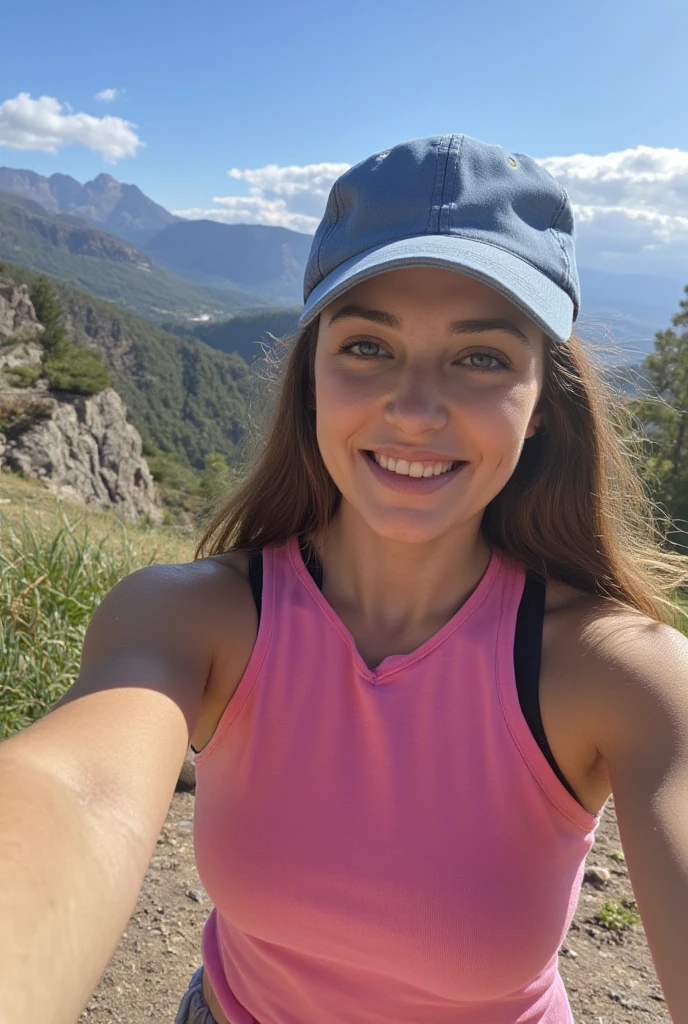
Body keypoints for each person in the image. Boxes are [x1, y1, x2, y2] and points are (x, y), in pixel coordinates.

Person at [1, 134, 688, 1024]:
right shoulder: (191, 619)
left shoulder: (622, 673)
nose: (413, 410)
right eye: (367, 345)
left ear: (543, 402)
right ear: (312, 375)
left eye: (480, 358)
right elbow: (75, 793)